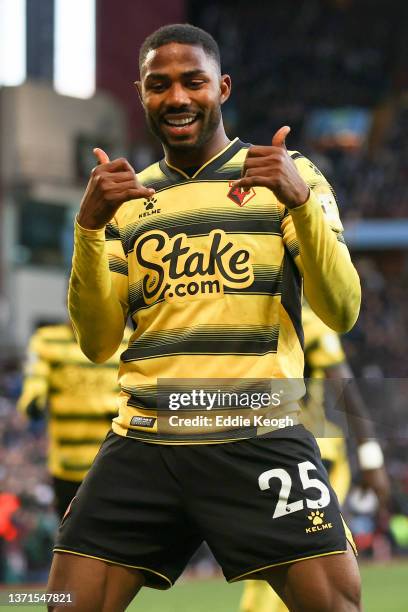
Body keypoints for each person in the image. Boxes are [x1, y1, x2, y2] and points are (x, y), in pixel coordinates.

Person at [47, 24, 362, 611]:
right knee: (65, 602)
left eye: (193, 82)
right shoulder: (125, 201)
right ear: (142, 95)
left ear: (222, 87)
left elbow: (342, 310)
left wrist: (299, 203)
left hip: (258, 433)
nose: (177, 98)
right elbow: (96, 344)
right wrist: (87, 230)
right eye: (158, 85)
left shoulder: (288, 175)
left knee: (337, 606)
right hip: (147, 441)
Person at [240, 302, 390, 612]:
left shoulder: (301, 321)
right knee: (290, 556)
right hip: (275, 455)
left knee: (298, 554)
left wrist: (371, 459)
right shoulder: (292, 317)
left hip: (310, 458)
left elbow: (344, 389)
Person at [18, 323, 130, 518]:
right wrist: (33, 399)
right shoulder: (47, 340)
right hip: (66, 466)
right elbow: (35, 377)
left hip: (111, 463)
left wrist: (110, 406)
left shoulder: (127, 340)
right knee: (69, 536)